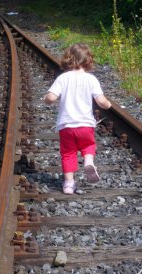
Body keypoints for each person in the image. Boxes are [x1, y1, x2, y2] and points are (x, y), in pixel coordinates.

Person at [43, 43, 111, 194]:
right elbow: (101, 101)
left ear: (68, 59)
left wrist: (46, 99)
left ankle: (68, 184)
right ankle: (88, 161)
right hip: (86, 125)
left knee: (68, 154)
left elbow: (51, 97)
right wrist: (108, 104)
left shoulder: (63, 78)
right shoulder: (91, 79)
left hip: (66, 125)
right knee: (88, 145)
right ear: (88, 60)